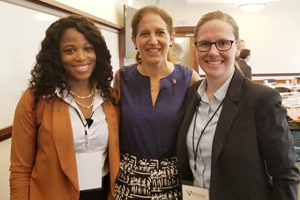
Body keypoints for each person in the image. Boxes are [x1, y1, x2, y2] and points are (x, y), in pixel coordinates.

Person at [177, 10, 300, 200]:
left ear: (237, 48)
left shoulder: (261, 100)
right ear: (196, 49)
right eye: (204, 44)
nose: (213, 51)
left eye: (223, 43)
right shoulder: (192, 94)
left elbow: (285, 175)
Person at [9, 15, 119, 200]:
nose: (81, 57)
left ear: (97, 52)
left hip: (102, 192)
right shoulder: (35, 99)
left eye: (88, 48)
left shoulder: (110, 96)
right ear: (56, 56)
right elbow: (20, 170)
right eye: (70, 50)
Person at [113, 5, 200, 199]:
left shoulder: (190, 78)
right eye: (144, 33)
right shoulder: (121, 78)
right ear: (134, 40)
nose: (153, 40)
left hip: (175, 182)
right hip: (129, 182)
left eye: (160, 32)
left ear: (171, 37)